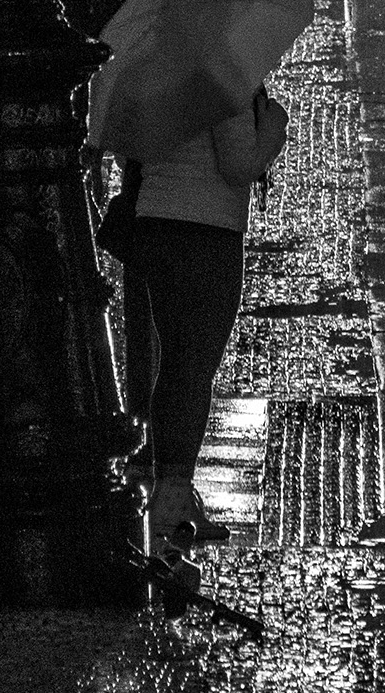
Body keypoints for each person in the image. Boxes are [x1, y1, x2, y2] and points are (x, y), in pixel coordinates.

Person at [128, 87, 290, 544]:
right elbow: (239, 164)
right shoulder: (222, 78)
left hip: (156, 222)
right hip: (208, 231)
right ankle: (173, 496)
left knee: (175, 360)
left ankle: (171, 488)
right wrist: (273, 126)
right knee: (195, 366)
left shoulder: (163, 72)